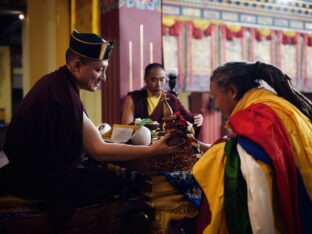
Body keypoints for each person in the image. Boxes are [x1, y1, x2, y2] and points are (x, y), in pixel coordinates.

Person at [0, 30, 185, 227]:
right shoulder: (63, 94)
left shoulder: (57, 83)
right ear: (76, 65)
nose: (104, 78)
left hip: (20, 171)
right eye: (99, 70)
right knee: (110, 181)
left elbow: (76, 130)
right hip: (30, 178)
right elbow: (99, 151)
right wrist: (152, 150)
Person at [192, 61, 312, 234]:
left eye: (214, 98)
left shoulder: (257, 116)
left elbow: (254, 173)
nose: (216, 106)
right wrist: (197, 146)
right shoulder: (269, 103)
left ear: (232, 92)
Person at [121, 63, 203, 128]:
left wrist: (198, 118)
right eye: (153, 80)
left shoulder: (171, 99)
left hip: (165, 144)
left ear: (166, 79)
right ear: (145, 79)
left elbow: (187, 117)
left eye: (162, 79)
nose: (158, 84)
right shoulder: (134, 98)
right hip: (140, 144)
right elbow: (127, 127)